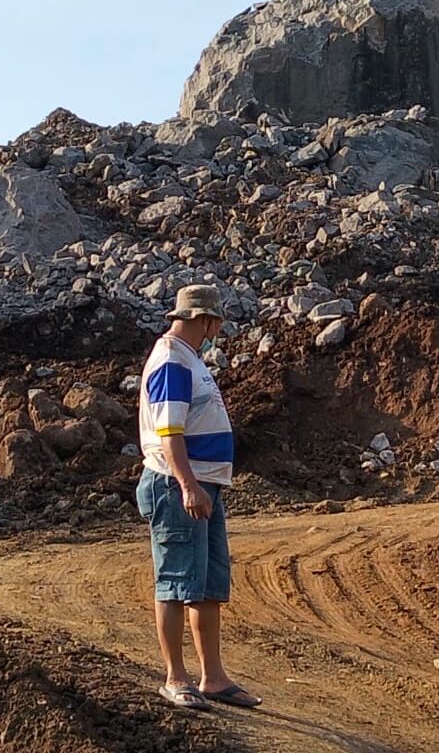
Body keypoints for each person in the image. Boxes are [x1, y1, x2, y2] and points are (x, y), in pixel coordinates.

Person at [135, 284, 261, 710]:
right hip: (178, 487)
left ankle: (213, 677)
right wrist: (188, 485)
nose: (217, 331)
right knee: (175, 582)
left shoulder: (186, 358)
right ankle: (176, 677)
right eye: (216, 323)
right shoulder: (172, 360)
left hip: (202, 485)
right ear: (205, 320)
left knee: (206, 585)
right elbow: (170, 432)